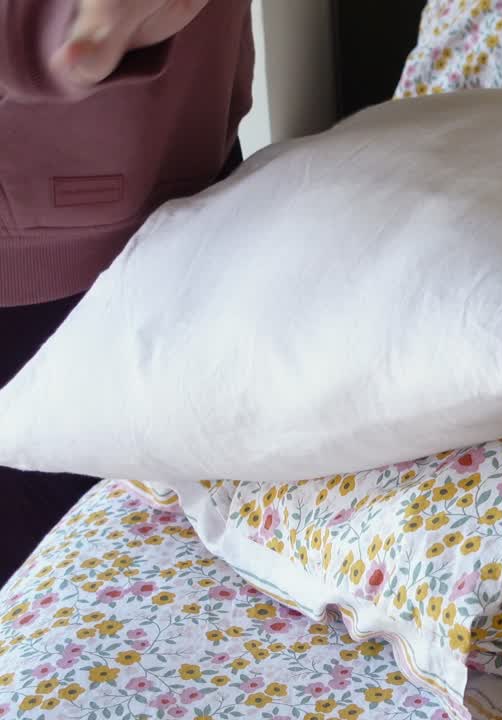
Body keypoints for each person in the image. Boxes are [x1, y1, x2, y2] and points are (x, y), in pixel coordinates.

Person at [0, 0, 254, 582]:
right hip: (31, 273)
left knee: (197, 558)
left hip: (192, 161)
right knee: (50, 593)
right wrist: (42, 24)